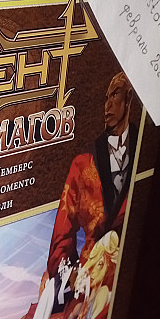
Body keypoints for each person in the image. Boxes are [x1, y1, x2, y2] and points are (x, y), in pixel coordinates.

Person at [47, 72, 135, 279]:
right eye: (106, 98)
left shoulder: (142, 147)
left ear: (129, 98)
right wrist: (70, 274)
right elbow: (61, 234)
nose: (108, 105)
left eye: (115, 95)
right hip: (90, 278)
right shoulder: (83, 163)